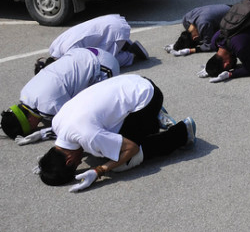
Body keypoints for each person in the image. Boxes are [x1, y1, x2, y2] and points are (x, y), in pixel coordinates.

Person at [37, 74, 195, 191]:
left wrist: (100, 170)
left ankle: (182, 133)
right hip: (134, 82)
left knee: (123, 162)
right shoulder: (57, 123)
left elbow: (131, 148)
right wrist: (48, 165)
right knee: (106, 148)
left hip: (148, 97)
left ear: (69, 161)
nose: (80, 164)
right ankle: (153, 121)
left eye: (76, 165)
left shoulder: (88, 137)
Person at [2, 47, 121, 143]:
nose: (35, 128)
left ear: (28, 119)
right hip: (85, 52)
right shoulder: (25, 92)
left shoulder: (47, 109)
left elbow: (71, 126)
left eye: (32, 128)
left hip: (104, 68)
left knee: (95, 115)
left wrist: (42, 134)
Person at [43, 14, 147, 72]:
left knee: (107, 62)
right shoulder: (54, 46)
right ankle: (125, 44)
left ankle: (131, 55)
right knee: (99, 47)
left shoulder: (70, 52)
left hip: (115, 30)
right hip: (111, 20)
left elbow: (88, 63)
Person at [165, 4, 231, 56]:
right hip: (226, 7)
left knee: (219, 40)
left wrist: (191, 50)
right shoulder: (185, 20)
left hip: (233, 14)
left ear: (195, 38)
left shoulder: (203, 24)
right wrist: (177, 44)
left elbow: (209, 46)